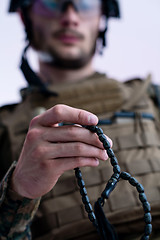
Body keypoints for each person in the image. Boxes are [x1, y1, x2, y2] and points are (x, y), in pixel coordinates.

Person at [0, 0, 160, 239]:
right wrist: (18, 192)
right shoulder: (5, 127)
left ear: (101, 18)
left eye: (85, 4)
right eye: (53, 4)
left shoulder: (152, 98)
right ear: (26, 16)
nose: (70, 17)